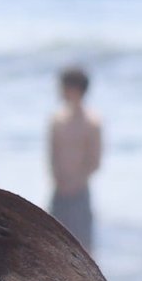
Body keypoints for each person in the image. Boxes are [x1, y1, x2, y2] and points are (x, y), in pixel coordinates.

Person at [48, 65, 103, 250]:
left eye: (64, 86)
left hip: (80, 190)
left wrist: (75, 182)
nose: (60, 90)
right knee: (53, 243)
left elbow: (94, 161)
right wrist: (58, 179)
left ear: (75, 88)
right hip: (59, 189)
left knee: (83, 246)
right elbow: (52, 155)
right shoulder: (57, 120)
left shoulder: (92, 122)